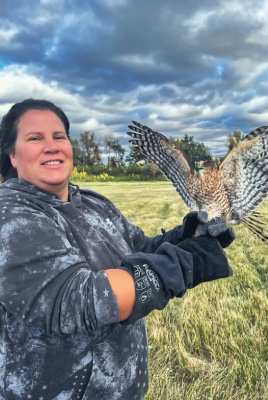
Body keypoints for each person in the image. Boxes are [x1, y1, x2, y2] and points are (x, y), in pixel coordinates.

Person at [0, 99, 234, 400]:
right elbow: (77, 300)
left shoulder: (93, 202)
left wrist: (186, 235)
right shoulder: (11, 214)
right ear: (12, 154)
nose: (52, 146)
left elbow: (139, 249)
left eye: (59, 136)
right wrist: (183, 265)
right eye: (35, 138)